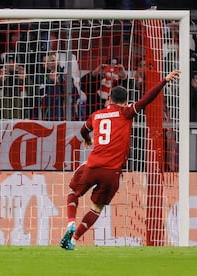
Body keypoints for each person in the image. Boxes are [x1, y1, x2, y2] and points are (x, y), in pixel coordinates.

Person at [59, 69, 181, 250]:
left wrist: (87, 140)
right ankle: (74, 239)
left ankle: (70, 222)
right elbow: (147, 99)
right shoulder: (126, 112)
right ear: (125, 101)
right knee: (96, 208)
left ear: (109, 99)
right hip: (112, 172)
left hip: (92, 166)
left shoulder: (97, 115)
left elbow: (83, 131)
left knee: (73, 193)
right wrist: (164, 80)